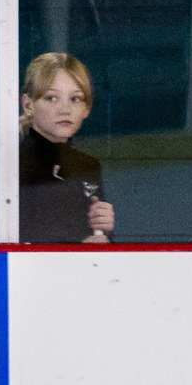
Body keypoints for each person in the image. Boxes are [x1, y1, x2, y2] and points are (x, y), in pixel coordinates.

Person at [16, 52, 114, 243]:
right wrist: (77, 249)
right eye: (52, 98)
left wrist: (104, 233)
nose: (65, 109)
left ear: (87, 108)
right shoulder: (12, 164)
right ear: (28, 104)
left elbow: (99, 255)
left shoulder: (88, 166)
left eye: (75, 99)